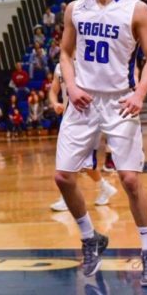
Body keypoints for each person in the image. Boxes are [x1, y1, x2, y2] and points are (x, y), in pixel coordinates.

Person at [54, 0, 147, 286]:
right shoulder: (75, 9)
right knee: (63, 177)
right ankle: (90, 237)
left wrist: (140, 93)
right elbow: (65, 53)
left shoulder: (136, 9)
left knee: (130, 180)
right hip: (82, 101)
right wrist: (70, 87)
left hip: (120, 101)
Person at [48, 62, 117, 212]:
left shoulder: (90, 64)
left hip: (90, 119)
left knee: (75, 162)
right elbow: (53, 91)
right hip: (70, 120)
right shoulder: (60, 67)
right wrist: (55, 103)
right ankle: (104, 187)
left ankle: (67, 198)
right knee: (83, 164)